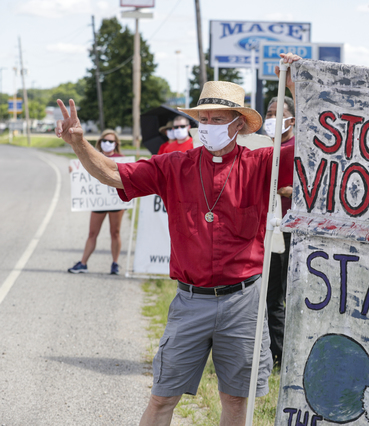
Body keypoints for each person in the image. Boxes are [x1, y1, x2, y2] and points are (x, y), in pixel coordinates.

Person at [55, 53, 301, 426]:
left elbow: (315, 145)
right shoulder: (174, 166)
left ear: (238, 126)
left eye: (217, 120)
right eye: (203, 119)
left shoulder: (261, 164)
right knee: (161, 398)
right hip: (190, 300)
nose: (208, 126)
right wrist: (78, 143)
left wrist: (296, 85)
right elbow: (113, 174)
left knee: (236, 400)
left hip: (244, 302)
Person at [263, 95, 296, 368]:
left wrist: (290, 191)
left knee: (278, 296)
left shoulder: (300, 148)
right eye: (269, 113)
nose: (271, 119)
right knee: (268, 294)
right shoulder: (263, 148)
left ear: (292, 120)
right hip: (265, 229)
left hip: (289, 232)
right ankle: (276, 352)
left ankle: (282, 356)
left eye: (277, 113)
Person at [68, 129, 126, 275]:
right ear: (100, 142)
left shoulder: (122, 159)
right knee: (92, 233)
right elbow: (83, 171)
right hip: (98, 201)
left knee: (115, 233)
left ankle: (115, 264)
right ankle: (83, 263)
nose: (108, 144)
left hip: (115, 201)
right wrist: (74, 172)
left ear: (116, 144)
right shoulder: (94, 157)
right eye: (105, 141)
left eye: (111, 141)